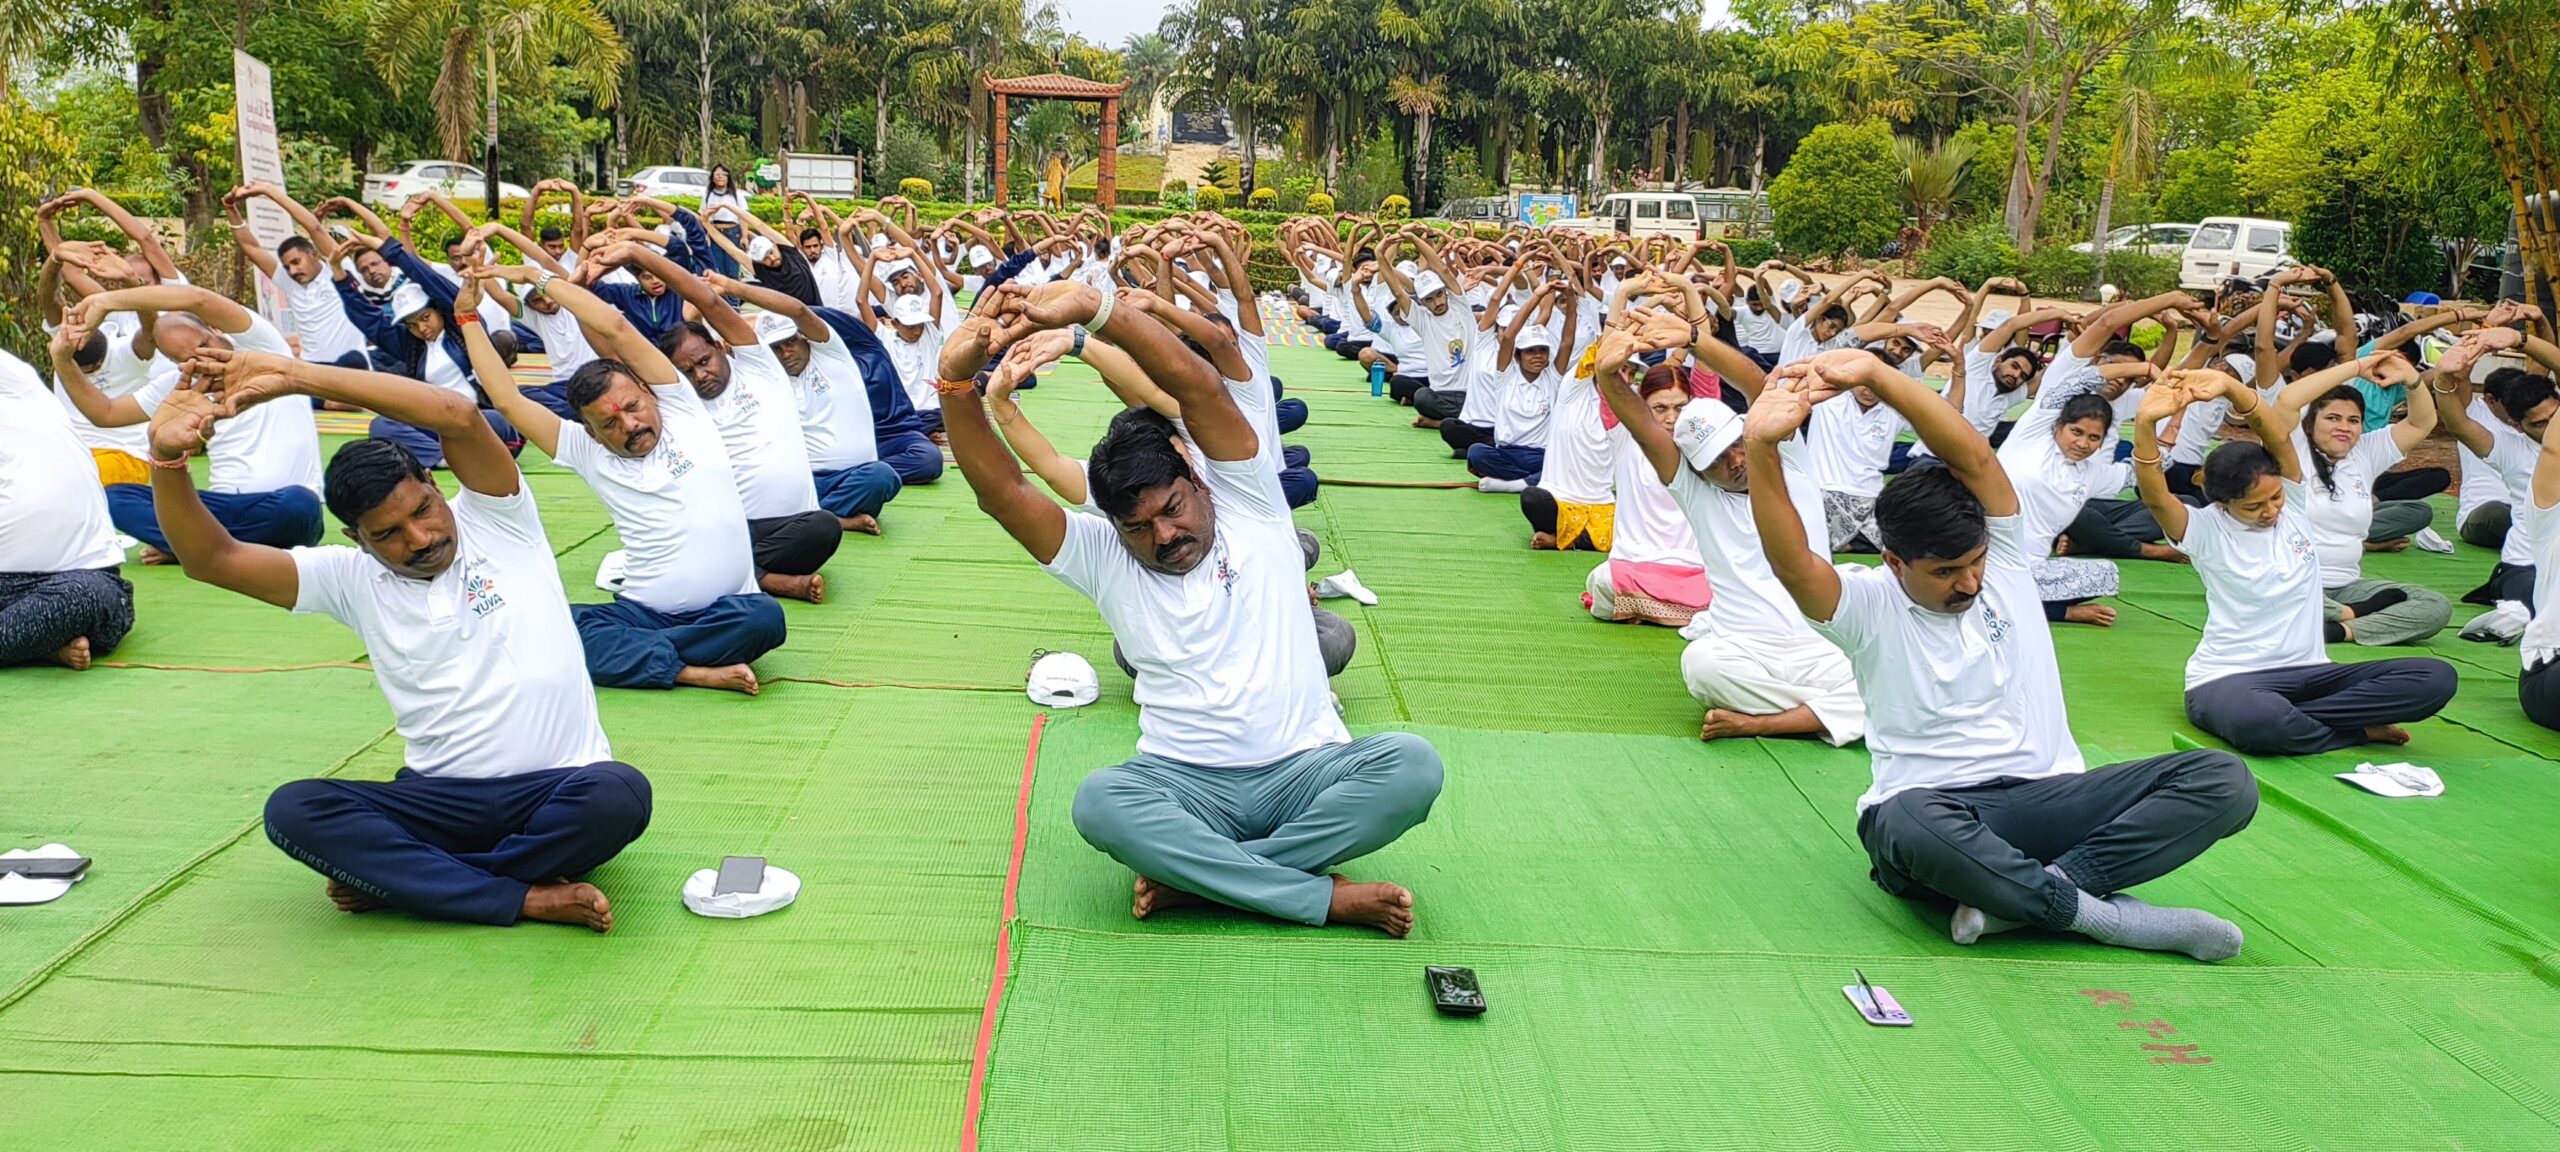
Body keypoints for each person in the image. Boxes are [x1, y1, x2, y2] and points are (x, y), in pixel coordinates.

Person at [945, 278, 1442, 936]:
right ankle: (1313, 897)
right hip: (1185, 783)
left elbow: (1201, 387)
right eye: (1140, 528)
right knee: (1101, 803)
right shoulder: (1103, 554)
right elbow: (1003, 492)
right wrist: (956, 388)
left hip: (1306, 769)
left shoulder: (1248, 495)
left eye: (1172, 511)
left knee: (1414, 766)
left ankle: (1207, 883)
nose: (1165, 537)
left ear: (1193, 474)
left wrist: (1097, 314)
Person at [1756, 347, 2258, 963]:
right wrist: (1761, 446)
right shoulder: (1864, 604)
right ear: (1894, 562)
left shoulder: (2009, 558)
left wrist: (1878, 375)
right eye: (1944, 572)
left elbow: (1973, 455)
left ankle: (2037, 897)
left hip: (2049, 798)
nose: (1968, 582)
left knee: (2223, 780)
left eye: (1973, 563)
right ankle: (2106, 919)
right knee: (1902, 818)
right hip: (1940, 812)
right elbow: (1790, 560)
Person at [151, 345, 646, 931]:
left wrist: (293, 376)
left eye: (424, 510)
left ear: (435, 485)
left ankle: (427, 883)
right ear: (355, 538)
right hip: (436, 802)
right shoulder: (349, 577)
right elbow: (212, 558)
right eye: (388, 533)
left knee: (620, 794)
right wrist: (165, 460)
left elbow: (457, 415)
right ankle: (517, 894)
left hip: (558, 789)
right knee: (295, 809)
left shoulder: (498, 520)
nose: (419, 537)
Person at [472, 257, 787, 693]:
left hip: (727, 611)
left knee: (765, 618)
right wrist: (467, 317)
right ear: (592, 432)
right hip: (642, 611)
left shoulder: (680, 407)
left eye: (633, 409)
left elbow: (616, 327)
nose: (630, 426)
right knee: (555, 622)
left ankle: (643, 655)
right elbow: (506, 400)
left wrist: (540, 278)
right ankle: (690, 670)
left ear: (647, 391)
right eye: (610, 424)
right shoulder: (583, 448)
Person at [2129, 369, 2458, 755]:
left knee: (2435, 677)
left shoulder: (2296, 504)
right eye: (2253, 506)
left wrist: (2233, 387)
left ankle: (2302, 720)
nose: (2270, 511)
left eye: (2275, 499)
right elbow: (2155, 495)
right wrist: (2146, 422)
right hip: (2230, 679)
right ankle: (2353, 731)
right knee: (2261, 722)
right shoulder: (2203, 529)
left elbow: (2276, 435)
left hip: (2312, 673)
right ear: (2222, 503)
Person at [1593, 315, 1865, 745]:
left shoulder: (1783, 459)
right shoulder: (1697, 493)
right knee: (1701, 665)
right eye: (1717, 460)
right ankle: (1831, 710)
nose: (1735, 461)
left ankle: (1766, 722)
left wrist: (1695, 338)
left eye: (1736, 445)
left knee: (1893, 658)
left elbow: (1757, 384)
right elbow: (1642, 428)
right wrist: (1607, 374)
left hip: (1822, 644)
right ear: (1696, 470)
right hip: (1746, 648)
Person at [52, 282, 326, 562]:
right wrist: (61, 360)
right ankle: (204, 541)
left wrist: (105, 301)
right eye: (187, 358)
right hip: (218, 508)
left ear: (214, 328)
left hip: (282, 506)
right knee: (115, 498)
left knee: (300, 505)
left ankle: (194, 544)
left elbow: (198, 298)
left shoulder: (262, 345)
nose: (204, 357)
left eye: (204, 344)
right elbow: (106, 413)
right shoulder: (181, 383)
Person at [640, 254, 840, 604]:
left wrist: (637, 254)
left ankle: (738, 575)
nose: (700, 375)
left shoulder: (759, 369)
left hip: (786, 527)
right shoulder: (683, 402)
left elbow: (710, 303)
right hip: (725, 526)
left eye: (704, 362)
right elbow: (619, 337)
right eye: (688, 372)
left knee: (824, 527)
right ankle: (771, 581)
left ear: (721, 348)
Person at [2265, 350, 2452, 645]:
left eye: (2353, 420)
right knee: (2273, 597)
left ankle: (2339, 628)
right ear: (2311, 423)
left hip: (2346, 586)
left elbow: (2421, 423)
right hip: (2291, 582)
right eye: (2333, 418)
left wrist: (2412, 379)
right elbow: (2287, 400)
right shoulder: (2292, 445)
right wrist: (2358, 367)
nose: (2344, 427)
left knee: (2435, 606)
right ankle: (2336, 615)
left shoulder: (2365, 451)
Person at [0, 346, 134, 670]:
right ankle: (39, 646)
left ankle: (30, 643)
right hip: (5, 587)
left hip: (80, 578)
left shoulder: (22, 392)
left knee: (84, 596)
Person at [2435, 327, 2560, 619]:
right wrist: (2443, 377)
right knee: (2536, 615)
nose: (2552, 427)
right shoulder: (2509, 447)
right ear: (2517, 425)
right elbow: (2457, 424)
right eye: (2540, 424)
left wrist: (2520, 339)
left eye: (2555, 417)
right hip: (2526, 564)